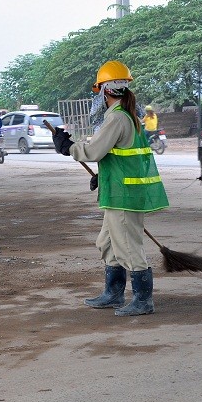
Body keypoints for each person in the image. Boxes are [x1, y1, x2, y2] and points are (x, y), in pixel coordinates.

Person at [52, 60, 169, 317]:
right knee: (107, 242)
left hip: (124, 196)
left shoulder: (117, 118)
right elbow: (113, 153)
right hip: (118, 192)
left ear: (104, 90)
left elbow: (94, 150)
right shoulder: (126, 116)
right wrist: (102, 174)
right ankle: (114, 293)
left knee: (127, 245)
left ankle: (143, 300)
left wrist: (67, 148)